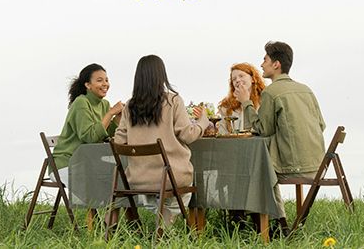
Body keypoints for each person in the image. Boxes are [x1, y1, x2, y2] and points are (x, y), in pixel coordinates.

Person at [113, 54, 210, 226]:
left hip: (138, 178)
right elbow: (187, 135)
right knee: (184, 188)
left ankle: (162, 221)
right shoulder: (172, 101)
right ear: (161, 75)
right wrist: (203, 122)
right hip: (171, 176)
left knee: (158, 189)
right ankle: (165, 225)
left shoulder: (130, 106)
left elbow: (119, 142)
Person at [236, 41, 326, 224]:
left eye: (265, 59)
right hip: (317, 165)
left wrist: (246, 102)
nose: (261, 64)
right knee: (265, 165)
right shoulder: (306, 90)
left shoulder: (271, 92)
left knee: (260, 170)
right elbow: (321, 125)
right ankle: (268, 222)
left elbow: (263, 130)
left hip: (293, 166)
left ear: (276, 64)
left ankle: (275, 224)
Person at [51, 63, 124, 176]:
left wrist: (117, 119)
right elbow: (90, 138)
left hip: (88, 162)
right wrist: (110, 113)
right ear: (88, 85)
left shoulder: (104, 104)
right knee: (107, 179)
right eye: (100, 80)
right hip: (67, 163)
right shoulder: (81, 102)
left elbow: (105, 136)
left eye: (106, 80)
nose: (105, 84)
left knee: (120, 174)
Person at [216, 62, 265, 134]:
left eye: (241, 76)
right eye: (234, 79)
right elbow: (222, 133)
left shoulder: (264, 100)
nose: (237, 80)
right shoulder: (226, 106)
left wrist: (245, 101)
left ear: (253, 79)